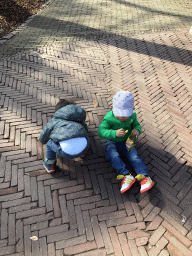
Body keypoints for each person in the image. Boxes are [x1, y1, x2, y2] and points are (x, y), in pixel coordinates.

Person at [98, 91, 154, 193]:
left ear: (132, 109)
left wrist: (137, 130)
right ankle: (125, 175)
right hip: (112, 142)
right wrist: (114, 133)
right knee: (113, 156)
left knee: (134, 157)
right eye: (119, 115)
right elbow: (101, 131)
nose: (122, 118)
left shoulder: (132, 116)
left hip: (128, 140)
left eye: (125, 115)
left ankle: (145, 178)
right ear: (112, 107)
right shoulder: (108, 118)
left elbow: (136, 125)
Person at [39, 99, 89, 173]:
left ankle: (50, 163)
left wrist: (42, 140)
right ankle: (83, 153)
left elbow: (45, 132)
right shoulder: (79, 117)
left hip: (66, 152)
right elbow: (85, 128)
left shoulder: (55, 120)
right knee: (84, 135)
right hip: (84, 145)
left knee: (49, 143)